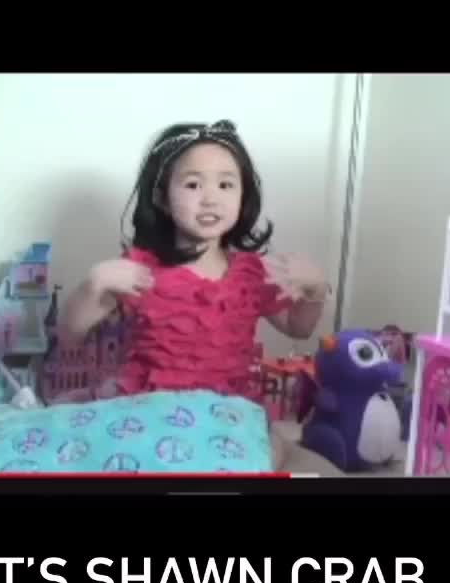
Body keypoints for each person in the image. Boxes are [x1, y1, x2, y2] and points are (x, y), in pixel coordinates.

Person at [63, 119, 331, 468]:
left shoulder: (252, 273)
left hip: (228, 413)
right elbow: (70, 333)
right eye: (193, 184)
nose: (210, 199)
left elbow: (298, 327)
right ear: (162, 198)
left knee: (271, 453)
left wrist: (315, 289)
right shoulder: (141, 269)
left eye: (226, 185)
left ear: (243, 197)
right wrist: (93, 285)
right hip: (151, 411)